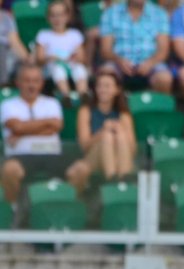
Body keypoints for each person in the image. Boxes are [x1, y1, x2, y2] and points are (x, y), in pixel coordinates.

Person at [0, 62, 63, 205]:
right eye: (27, 80)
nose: (31, 85)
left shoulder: (52, 103)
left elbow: (57, 126)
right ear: (18, 83)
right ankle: (13, 209)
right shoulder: (7, 105)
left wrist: (22, 132)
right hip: (20, 155)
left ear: (41, 83)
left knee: (78, 171)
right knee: (10, 170)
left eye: (35, 81)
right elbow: (16, 127)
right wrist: (47, 123)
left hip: (51, 155)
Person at [65, 68, 136, 193]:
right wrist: (103, 131)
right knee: (107, 135)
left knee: (119, 133)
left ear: (117, 90)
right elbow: (84, 146)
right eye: (100, 86)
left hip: (119, 157)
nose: (103, 90)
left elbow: (132, 148)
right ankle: (113, 181)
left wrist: (119, 130)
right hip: (93, 157)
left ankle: (122, 178)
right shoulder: (86, 111)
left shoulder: (124, 114)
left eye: (108, 86)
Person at [99, 0, 173, 93]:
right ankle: (119, 106)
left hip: (151, 63)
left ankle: (155, 107)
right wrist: (119, 60)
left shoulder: (160, 14)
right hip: (119, 63)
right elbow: (105, 50)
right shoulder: (110, 13)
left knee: (164, 78)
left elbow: (163, 50)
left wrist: (150, 63)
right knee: (106, 74)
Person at [34, 0, 89, 100]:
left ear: (67, 16)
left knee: (80, 69)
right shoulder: (43, 35)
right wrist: (50, 58)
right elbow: (40, 59)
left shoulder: (75, 34)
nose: (57, 19)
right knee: (58, 70)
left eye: (60, 15)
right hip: (51, 66)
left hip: (70, 64)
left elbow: (82, 57)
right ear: (48, 18)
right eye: (53, 15)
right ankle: (66, 95)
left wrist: (75, 57)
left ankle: (83, 94)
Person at [0, 10, 30, 86]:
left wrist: (27, 59)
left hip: (7, 52)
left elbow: (14, 41)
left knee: (22, 62)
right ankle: (3, 84)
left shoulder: (7, 17)